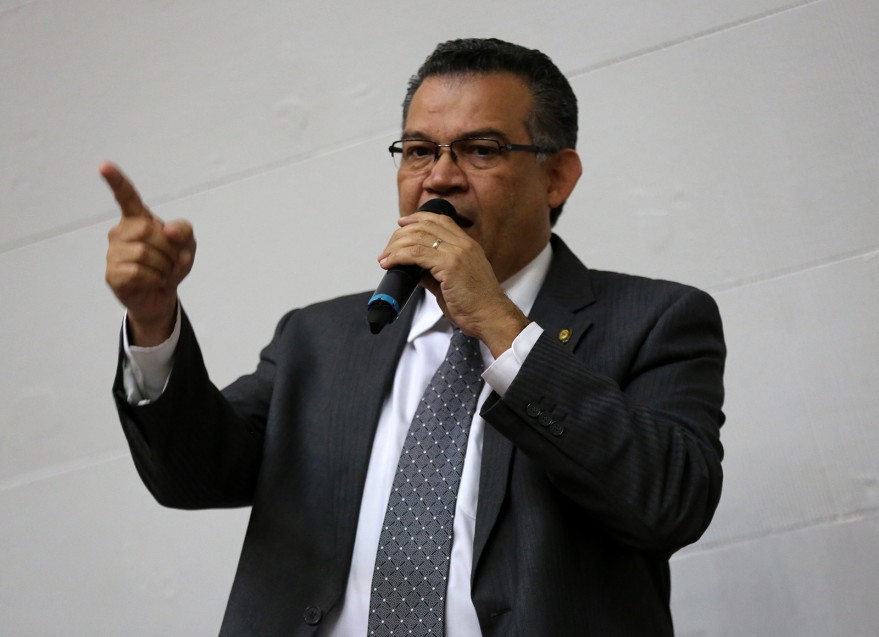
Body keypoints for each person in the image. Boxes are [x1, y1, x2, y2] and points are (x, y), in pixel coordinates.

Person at [103, 38, 726, 637]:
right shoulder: (318, 339)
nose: (440, 178)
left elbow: (670, 503)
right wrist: (154, 322)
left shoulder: (655, 320)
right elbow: (192, 474)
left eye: (481, 150)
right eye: (420, 151)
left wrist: (497, 320)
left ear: (556, 176)